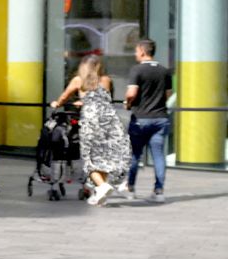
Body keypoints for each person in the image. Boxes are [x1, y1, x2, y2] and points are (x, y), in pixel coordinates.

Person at [53, 54, 129, 207]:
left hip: (91, 122)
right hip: (110, 121)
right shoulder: (106, 80)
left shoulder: (78, 81)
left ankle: (101, 186)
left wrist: (57, 103)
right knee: (104, 157)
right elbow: (104, 99)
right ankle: (99, 193)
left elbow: (63, 98)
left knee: (89, 160)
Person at [124, 38, 172, 202]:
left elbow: (131, 93)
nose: (136, 54)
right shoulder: (164, 71)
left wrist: (128, 103)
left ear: (143, 51)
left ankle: (130, 189)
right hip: (160, 119)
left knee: (135, 155)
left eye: (136, 51)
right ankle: (159, 191)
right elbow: (168, 95)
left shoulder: (136, 70)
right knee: (158, 156)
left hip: (141, 119)